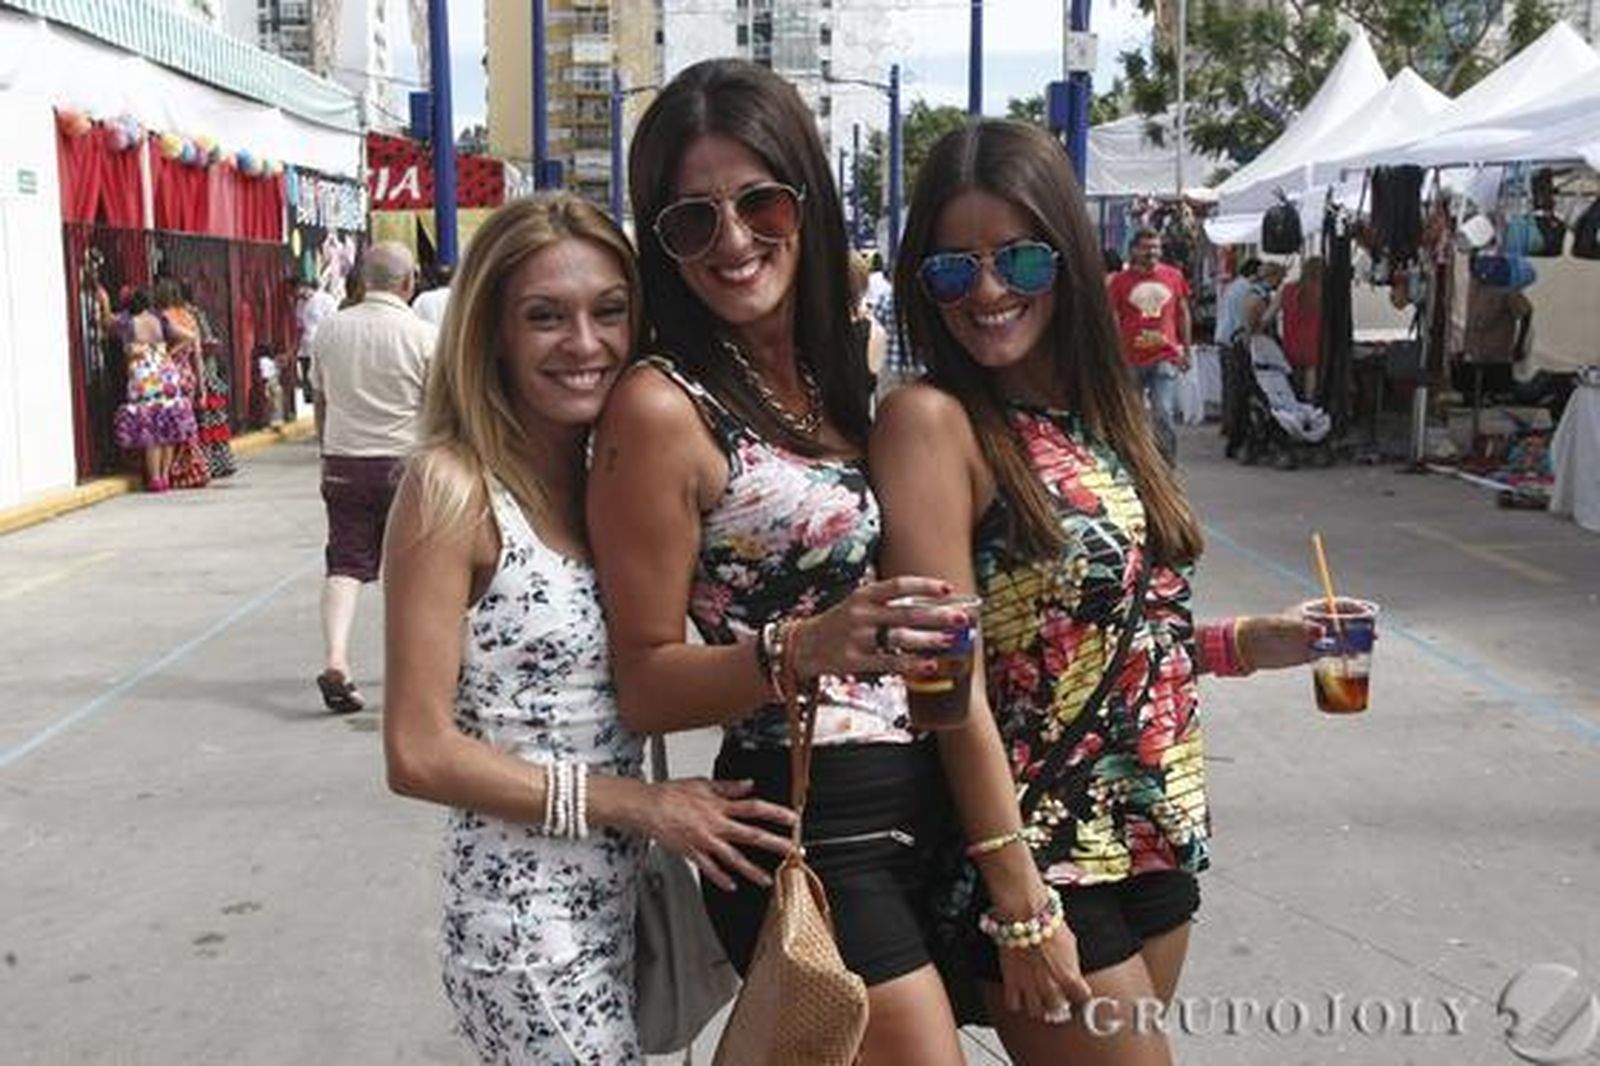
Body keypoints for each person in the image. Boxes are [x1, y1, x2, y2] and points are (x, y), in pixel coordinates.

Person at [872, 119, 1322, 1066]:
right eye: (954, 270)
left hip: (1156, 826)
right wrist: (1016, 893)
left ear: (1070, 260)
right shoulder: (933, 423)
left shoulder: (1104, 416)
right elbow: (945, 683)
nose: (988, 292)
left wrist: (1245, 644)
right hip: (1046, 853)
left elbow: (1094, 635)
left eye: (1020, 260)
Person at [588, 58, 971, 1065]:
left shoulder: (835, 374)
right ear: (660, 244)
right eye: (690, 221)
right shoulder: (662, 408)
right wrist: (801, 646)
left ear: (806, 200)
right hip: (805, 819)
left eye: (759, 202)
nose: (733, 241)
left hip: (910, 800)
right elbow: (643, 681)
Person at [382, 193, 794, 1065]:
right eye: (545, 317)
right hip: (521, 921)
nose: (584, 344)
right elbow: (417, 752)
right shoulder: (451, 490)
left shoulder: (610, 476)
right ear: (491, 331)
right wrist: (639, 803)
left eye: (609, 312)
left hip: (620, 900)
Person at [309, 241, 437, 713]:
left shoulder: (330, 330)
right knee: (417, 569)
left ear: (362, 280)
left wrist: (328, 449)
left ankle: (337, 658)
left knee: (345, 564)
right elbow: (438, 407)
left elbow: (321, 400)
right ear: (409, 283)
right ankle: (414, 667)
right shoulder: (424, 336)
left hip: (343, 461)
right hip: (407, 463)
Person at [1108, 227, 1192, 463]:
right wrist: (1112, 355)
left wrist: (1186, 348)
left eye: (1155, 247)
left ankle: (1166, 463)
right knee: (1131, 415)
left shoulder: (1174, 276)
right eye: (1146, 247)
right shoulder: (1119, 282)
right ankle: (1135, 461)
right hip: (1129, 358)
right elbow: (1112, 320)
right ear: (1134, 250)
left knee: (1163, 412)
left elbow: (1183, 312)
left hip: (1165, 356)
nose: (1152, 252)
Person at [112, 288, 197, 493]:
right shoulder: (159, 320)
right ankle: (165, 476)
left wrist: (104, 301)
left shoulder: (129, 323)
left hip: (144, 377)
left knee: (151, 429)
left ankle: (155, 478)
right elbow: (190, 336)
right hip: (166, 373)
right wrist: (168, 352)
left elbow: (107, 324)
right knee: (167, 426)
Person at [1280, 256, 1323, 397]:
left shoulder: (1287, 289)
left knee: (1291, 381)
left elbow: (1268, 316)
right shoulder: (1323, 293)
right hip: (1313, 344)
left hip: (1290, 343)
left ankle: (1292, 410)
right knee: (1311, 380)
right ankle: (1309, 407)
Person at [295, 278, 339, 403]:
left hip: (321, 346)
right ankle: (309, 400)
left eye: (303, 288)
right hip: (304, 348)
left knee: (321, 379)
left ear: (310, 286)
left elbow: (332, 322)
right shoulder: (300, 303)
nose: (300, 292)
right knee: (307, 377)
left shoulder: (326, 300)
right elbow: (298, 324)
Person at [1213, 256, 1259, 351]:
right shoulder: (1247, 289)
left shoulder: (1235, 285)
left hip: (1223, 335)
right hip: (1232, 340)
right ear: (1254, 274)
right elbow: (1243, 318)